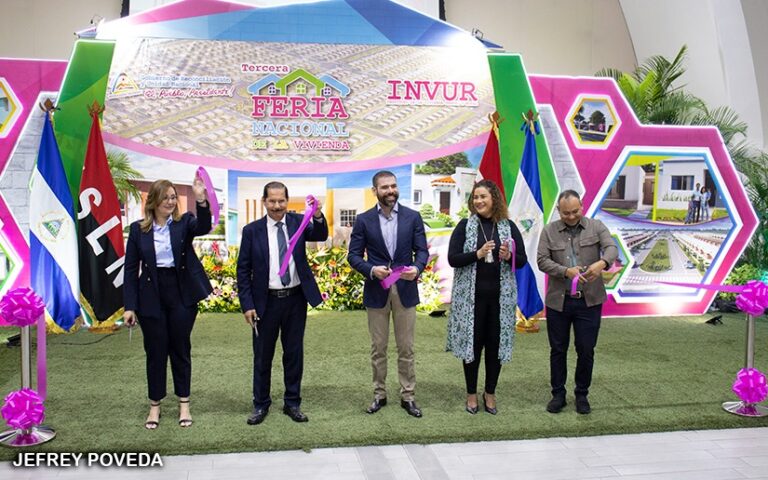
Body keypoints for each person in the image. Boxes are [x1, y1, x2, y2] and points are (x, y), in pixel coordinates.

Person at [123, 178, 213, 429]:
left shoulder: (184, 224)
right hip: (150, 295)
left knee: (180, 349)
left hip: (182, 294)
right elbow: (131, 270)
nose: (171, 202)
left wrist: (201, 199)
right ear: (153, 201)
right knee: (155, 352)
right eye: (166, 198)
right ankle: (155, 407)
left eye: (174, 197)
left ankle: (184, 404)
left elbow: (204, 226)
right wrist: (130, 305)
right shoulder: (138, 229)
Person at [237, 181, 327, 425]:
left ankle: (292, 403)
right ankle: (261, 405)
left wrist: (317, 214)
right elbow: (243, 271)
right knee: (262, 356)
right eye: (272, 201)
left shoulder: (299, 222)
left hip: (296, 300)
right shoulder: (252, 231)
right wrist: (247, 304)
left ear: (288, 201)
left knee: (294, 354)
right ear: (264, 201)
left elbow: (319, 234)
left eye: (281, 201)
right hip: (264, 302)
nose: (277, 206)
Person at [348, 170, 429, 418]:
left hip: (405, 289)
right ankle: (379, 394)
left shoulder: (412, 217)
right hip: (377, 291)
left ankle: (408, 396)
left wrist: (416, 268)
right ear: (375, 191)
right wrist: (371, 270)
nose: (390, 191)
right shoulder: (363, 220)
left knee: (406, 348)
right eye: (384, 187)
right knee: (378, 348)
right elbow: (353, 255)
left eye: (393, 186)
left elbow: (422, 252)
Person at [446, 180, 526, 415]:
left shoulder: (508, 227)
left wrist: (509, 255)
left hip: (500, 302)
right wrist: (477, 254)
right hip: (471, 302)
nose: (478, 201)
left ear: (494, 199)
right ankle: (471, 393)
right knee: (473, 347)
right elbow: (453, 259)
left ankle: (489, 393)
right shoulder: (464, 226)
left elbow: (521, 262)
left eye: (483, 197)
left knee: (495, 347)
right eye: (475, 197)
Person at [536, 190, 617, 415]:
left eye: (575, 211)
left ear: (582, 207)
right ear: (559, 211)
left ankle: (582, 394)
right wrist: (565, 271)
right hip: (558, 302)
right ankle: (558, 394)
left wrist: (602, 262)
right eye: (566, 213)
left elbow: (611, 248)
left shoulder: (596, 226)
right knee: (558, 349)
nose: (571, 217)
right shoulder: (549, 231)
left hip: (589, 302)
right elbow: (542, 260)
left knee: (586, 349)